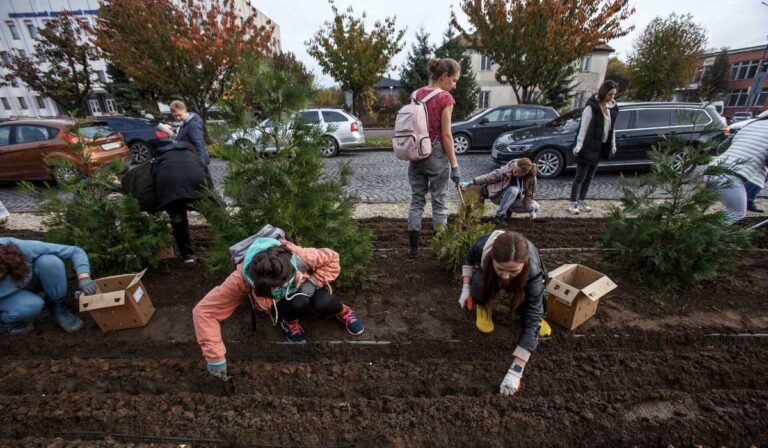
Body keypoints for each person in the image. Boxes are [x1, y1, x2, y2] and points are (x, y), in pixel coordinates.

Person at [193, 237, 364, 382]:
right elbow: (204, 311)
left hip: (305, 285)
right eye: (270, 290)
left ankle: (343, 312)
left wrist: (314, 282)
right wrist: (215, 358)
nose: (275, 292)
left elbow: (333, 258)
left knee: (325, 302)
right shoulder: (240, 280)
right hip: (288, 301)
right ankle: (289, 322)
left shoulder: (300, 257)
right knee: (298, 304)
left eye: (278, 287)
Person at [458, 230, 550, 396]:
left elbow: (532, 316)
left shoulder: (533, 272)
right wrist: (465, 288)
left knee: (531, 312)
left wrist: (516, 371)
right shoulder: (483, 245)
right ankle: (483, 306)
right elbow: (469, 259)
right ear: (492, 257)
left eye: (513, 271)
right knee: (478, 284)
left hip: (527, 280)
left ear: (524, 263)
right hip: (489, 272)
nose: (506, 276)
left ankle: (529, 315)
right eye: (501, 269)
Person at [407, 58, 463, 257]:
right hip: (436, 153)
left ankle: (413, 250)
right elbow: (447, 135)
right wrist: (455, 166)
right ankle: (439, 249)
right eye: (454, 80)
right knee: (439, 203)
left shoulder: (415, 94)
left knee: (416, 201)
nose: (454, 85)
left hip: (415, 153)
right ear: (444, 76)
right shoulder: (445, 98)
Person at [0, 238, 98, 335]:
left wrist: (84, 278)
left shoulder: (15, 248)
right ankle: (15, 321)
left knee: (50, 261)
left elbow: (75, 251)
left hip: (26, 282)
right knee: (31, 306)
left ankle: (57, 307)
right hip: (5, 298)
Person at [153, 141, 213, 263]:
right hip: (197, 183)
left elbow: (153, 177)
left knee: (178, 221)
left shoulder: (161, 157)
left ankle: (188, 255)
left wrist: (158, 202)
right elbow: (205, 173)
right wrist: (211, 196)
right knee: (213, 213)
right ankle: (229, 240)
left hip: (170, 188)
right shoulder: (191, 154)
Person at [569, 80, 620, 215]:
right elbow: (583, 128)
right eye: (610, 94)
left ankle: (581, 200)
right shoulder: (591, 107)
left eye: (614, 95)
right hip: (587, 146)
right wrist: (578, 145)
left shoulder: (611, 108)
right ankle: (573, 203)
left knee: (589, 177)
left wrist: (613, 144)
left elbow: (611, 129)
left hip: (600, 147)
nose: (612, 97)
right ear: (603, 93)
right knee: (580, 176)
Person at [709, 117, 768, 224]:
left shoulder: (751, 124)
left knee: (728, 211)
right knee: (737, 213)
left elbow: (720, 149)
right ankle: (704, 237)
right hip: (730, 176)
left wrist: (739, 140)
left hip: (712, 170)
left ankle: (705, 234)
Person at [460, 158, 540, 226]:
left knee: (536, 207)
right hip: (498, 195)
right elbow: (489, 177)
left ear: (524, 173)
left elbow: (529, 197)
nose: (514, 171)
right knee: (514, 190)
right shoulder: (507, 169)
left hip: (514, 198)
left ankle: (507, 209)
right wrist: (470, 182)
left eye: (517, 172)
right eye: (514, 168)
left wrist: (531, 210)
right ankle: (499, 216)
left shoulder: (531, 179)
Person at [170, 100, 210, 166]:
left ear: (185, 110)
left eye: (179, 115)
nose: (178, 118)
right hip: (189, 159)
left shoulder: (193, 125)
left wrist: (201, 166)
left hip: (195, 161)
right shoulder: (185, 122)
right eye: (175, 116)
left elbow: (199, 145)